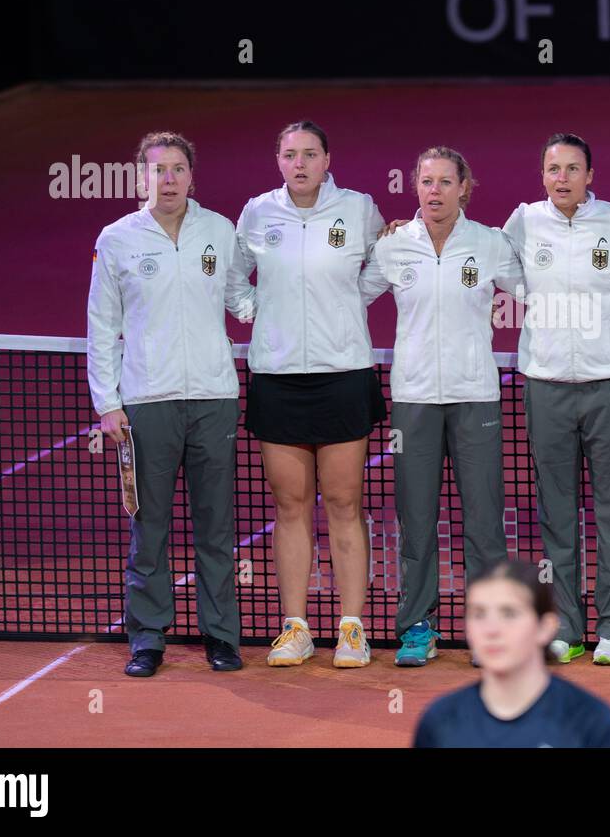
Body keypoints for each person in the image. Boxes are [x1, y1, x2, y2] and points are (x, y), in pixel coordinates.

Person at [87, 131, 254, 677]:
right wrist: (107, 403)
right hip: (145, 404)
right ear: (141, 178)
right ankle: (148, 637)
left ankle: (221, 636)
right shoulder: (116, 239)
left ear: (191, 175)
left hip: (213, 398)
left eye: (178, 169)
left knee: (215, 525)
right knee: (149, 526)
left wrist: (302, 291)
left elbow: (240, 298)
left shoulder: (219, 230)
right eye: (158, 170)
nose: (168, 179)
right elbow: (102, 325)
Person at [231, 120, 387, 668]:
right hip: (277, 377)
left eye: (310, 154)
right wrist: (264, 316)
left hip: (343, 372)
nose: (300, 164)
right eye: (290, 155)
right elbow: (233, 279)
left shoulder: (359, 207)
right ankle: (295, 629)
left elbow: (386, 263)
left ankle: (351, 630)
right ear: (279, 160)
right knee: (289, 506)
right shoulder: (257, 213)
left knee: (346, 503)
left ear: (327, 159)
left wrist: (348, 303)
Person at [360, 147, 523, 666]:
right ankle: (417, 627)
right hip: (413, 399)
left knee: (484, 523)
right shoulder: (393, 247)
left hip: (475, 395)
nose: (434, 191)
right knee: (416, 520)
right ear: (416, 187)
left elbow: (536, 290)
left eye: (445, 182)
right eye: (426, 182)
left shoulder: (490, 243)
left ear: (464, 187)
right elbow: (348, 297)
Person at [501, 133, 610, 666]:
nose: (561, 177)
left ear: (590, 176)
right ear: (543, 175)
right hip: (545, 384)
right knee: (557, 514)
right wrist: (534, 302)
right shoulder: (523, 222)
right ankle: (566, 625)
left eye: (572, 168)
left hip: (609, 382)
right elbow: (493, 263)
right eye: (552, 168)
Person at [413, 560, 610, 747]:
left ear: (545, 627)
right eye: (478, 614)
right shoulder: (440, 723)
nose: (492, 629)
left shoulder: (591, 722)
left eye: (509, 614)